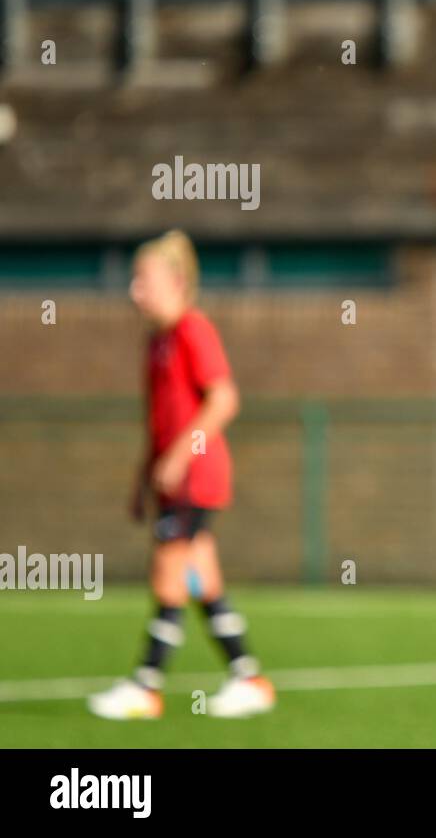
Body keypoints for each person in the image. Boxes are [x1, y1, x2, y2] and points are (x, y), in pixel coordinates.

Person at [88, 230, 274, 720]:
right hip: (173, 481)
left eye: (142, 279)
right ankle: (249, 678)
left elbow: (224, 398)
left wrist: (178, 457)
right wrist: (141, 478)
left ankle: (146, 687)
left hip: (197, 478)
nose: (134, 290)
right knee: (202, 581)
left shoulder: (194, 330)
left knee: (168, 576)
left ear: (176, 281)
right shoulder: (158, 341)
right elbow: (158, 422)